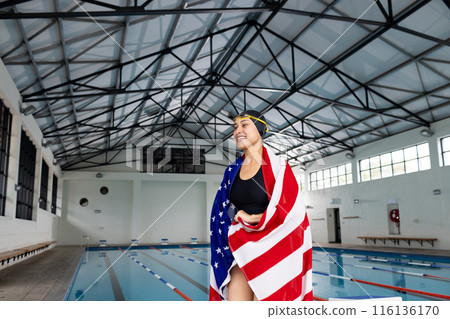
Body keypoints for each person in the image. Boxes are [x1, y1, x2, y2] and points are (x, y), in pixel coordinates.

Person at [209, 110, 313, 301]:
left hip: (273, 251)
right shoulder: (231, 171)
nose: (237, 131)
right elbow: (222, 211)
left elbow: (294, 213)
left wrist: (253, 218)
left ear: (260, 129)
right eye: (235, 127)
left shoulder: (279, 167)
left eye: (244, 125)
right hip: (241, 251)